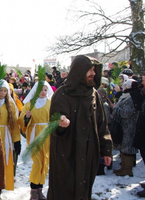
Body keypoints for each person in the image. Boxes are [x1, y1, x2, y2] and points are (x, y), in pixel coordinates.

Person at [47, 55, 113, 200]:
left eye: (94, 70)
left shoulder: (94, 94)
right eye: (89, 70)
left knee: (84, 190)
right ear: (79, 71)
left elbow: (102, 124)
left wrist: (106, 149)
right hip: (67, 153)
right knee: (64, 191)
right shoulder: (62, 95)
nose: (93, 73)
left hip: (88, 153)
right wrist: (61, 123)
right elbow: (55, 122)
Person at [18, 81, 53, 200]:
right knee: (37, 162)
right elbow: (21, 120)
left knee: (45, 162)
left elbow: (54, 119)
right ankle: (33, 189)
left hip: (46, 135)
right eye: (40, 90)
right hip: (33, 135)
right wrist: (26, 117)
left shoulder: (50, 103)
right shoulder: (29, 104)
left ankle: (39, 189)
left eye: (45, 90)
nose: (42, 92)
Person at [0, 80, 20, 199]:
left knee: (2, 164)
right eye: (1, 90)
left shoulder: (10, 105)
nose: (3, 93)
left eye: (5, 91)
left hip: (5, 137)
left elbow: (14, 124)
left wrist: (17, 140)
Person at [111, 79, 139, 177]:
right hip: (123, 126)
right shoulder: (126, 96)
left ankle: (127, 169)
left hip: (129, 127)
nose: (123, 87)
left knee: (128, 148)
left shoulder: (132, 98)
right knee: (123, 147)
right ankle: (123, 167)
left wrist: (115, 108)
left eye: (125, 86)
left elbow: (126, 113)